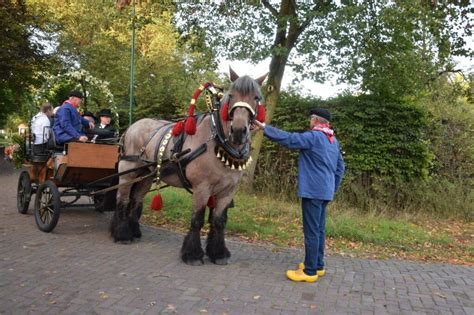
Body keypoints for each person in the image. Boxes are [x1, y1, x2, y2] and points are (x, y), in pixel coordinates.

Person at [254, 108, 345, 283]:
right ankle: (318, 265)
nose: (309, 121)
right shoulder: (333, 140)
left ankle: (309, 271)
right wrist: (332, 187)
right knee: (319, 230)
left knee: (311, 232)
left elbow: (289, 139)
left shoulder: (313, 137)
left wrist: (265, 128)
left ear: (315, 120)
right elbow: (341, 168)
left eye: (310, 118)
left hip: (313, 191)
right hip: (325, 192)